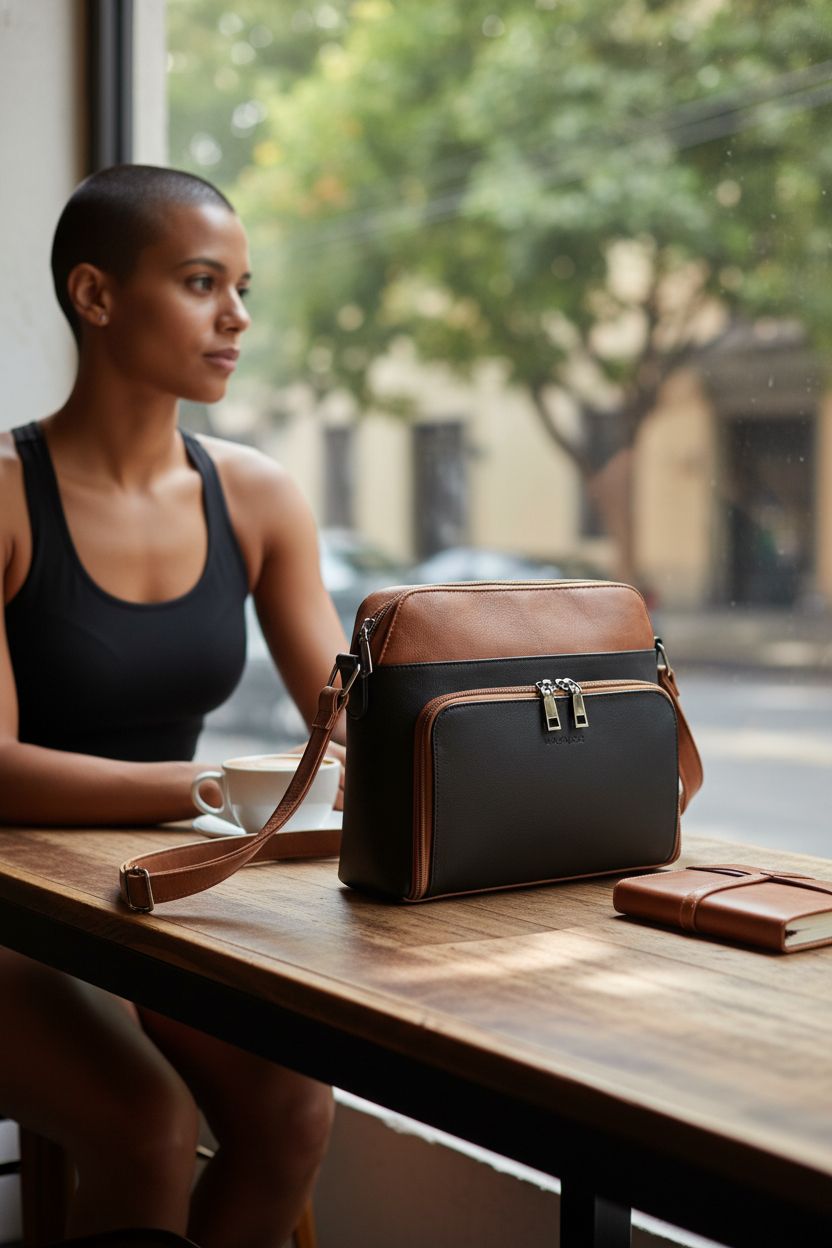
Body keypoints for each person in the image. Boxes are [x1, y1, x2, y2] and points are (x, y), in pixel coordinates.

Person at [0, 165, 349, 1245]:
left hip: (148, 895)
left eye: (243, 287)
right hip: (6, 910)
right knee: (145, 1127)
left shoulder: (256, 495)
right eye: (203, 282)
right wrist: (212, 789)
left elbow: (348, 715)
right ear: (96, 296)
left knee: (291, 1112)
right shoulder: (5, 498)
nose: (236, 317)